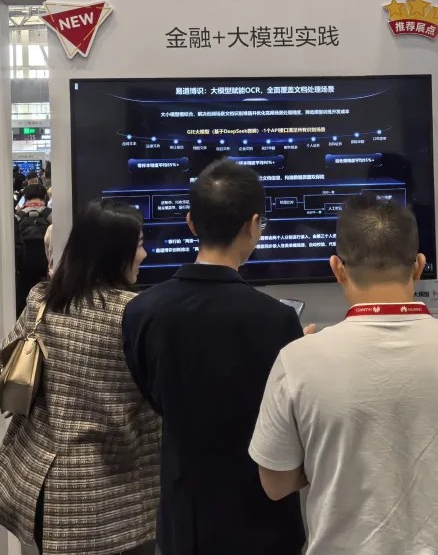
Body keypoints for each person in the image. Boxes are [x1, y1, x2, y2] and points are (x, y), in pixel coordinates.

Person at [249, 195, 438, 555]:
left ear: (337, 268)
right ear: (418, 266)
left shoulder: (297, 359)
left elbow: (275, 484)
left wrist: (328, 460)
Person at [123, 160, 305, 555]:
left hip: (184, 515)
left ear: (190, 223)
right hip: (262, 518)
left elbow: (152, 392)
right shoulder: (278, 320)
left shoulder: (141, 312)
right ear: (253, 225)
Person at [0, 201, 160, 555]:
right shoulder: (135, 315)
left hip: (44, 486)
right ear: (116, 253)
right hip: (118, 496)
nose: (144, 254)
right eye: (139, 244)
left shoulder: (44, 301)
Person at [15, 182, 52, 315]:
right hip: (47, 269)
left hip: (23, 269)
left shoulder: (16, 217)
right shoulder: (53, 215)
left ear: (25, 198)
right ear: (45, 197)